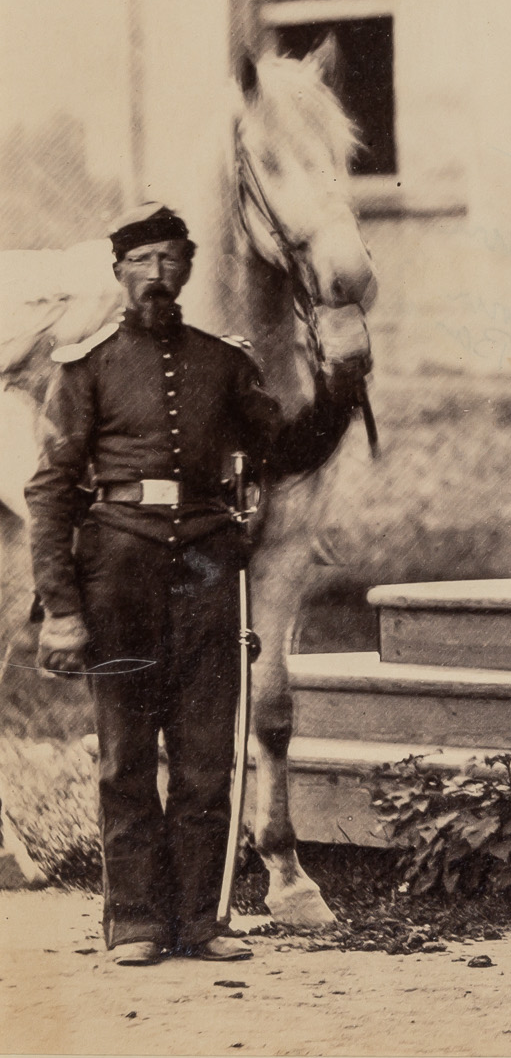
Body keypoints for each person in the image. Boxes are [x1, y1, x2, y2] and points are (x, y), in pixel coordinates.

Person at [26, 204, 317, 964]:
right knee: (125, 757)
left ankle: (202, 921)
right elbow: (51, 492)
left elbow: (284, 450)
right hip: (117, 570)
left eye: (169, 260)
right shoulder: (84, 367)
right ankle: (135, 922)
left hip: (209, 569)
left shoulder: (224, 363)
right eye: (142, 261)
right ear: (119, 272)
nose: (156, 275)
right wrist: (61, 610)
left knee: (205, 755)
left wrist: (343, 386)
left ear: (187, 267)